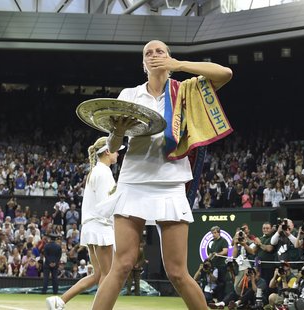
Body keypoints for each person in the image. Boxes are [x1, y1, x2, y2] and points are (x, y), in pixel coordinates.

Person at [92, 39, 232, 310]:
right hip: (133, 181)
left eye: (160, 51)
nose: (154, 55)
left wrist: (179, 65)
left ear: (169, 58)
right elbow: (111, 146)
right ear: (143, 64)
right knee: (121, 265)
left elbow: (225, 74)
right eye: (148, 53)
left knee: (178, 273)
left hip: (171, 183)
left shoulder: (186, 90)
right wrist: (118, 132)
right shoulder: (129, 95)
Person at [46, 137, 122, 310]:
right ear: (108, 151)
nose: (118, 153)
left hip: (92, 226)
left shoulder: (97, 171)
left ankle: (60, 301)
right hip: (100, 226)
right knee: (108, 274)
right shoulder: (103, 172)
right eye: (116, 150)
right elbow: (105, 205)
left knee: (98, 275)